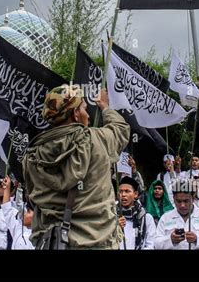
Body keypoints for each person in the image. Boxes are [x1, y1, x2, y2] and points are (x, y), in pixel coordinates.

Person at [23, 86, 130, 249]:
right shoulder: (96, 140)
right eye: (85, 109)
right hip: (97, 243)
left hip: (54, 243)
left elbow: (31, 197)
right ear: (76, 114)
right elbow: (121, 131)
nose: (88, 114)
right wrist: (105, 107)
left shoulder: (32, 157)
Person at [154, 179, 199, 250]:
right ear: (173, 198)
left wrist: (197, 239)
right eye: (178, 201)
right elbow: (156, 244)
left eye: (186, 201)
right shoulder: (165, 218)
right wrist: (170, 240)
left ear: (193, 198)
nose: (182, 205)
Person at [117, 176, 155, 250]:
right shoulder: (111, 215)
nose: (123, 195)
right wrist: (115, 227)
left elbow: (150, 244)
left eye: (127, 191)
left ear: (135, 194)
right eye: (120, 191)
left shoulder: (146, 217)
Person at [0, 177, 34, 249]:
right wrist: (7, 188)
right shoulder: (18, 229)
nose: (24, 214)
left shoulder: (40, 239)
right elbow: (7, 211)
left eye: (28, 212)